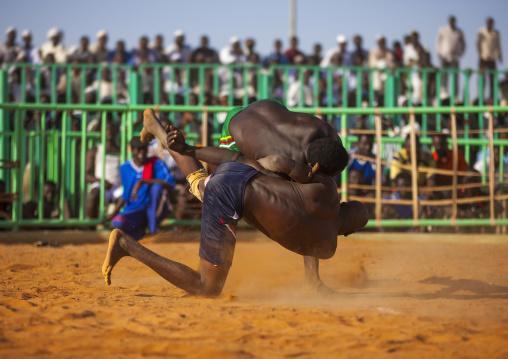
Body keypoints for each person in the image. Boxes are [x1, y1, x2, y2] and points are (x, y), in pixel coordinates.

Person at [101, 109, 368, 297]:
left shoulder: (324, 185)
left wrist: (188, 148)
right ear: (347, 231)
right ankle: (126, 245)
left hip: (248, 140)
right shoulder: (325, 242)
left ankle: (160, 130)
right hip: (233, 183)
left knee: (213, 182)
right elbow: (310, 232)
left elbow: (265, 162)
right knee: (207, 287)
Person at [105, 137, 175, 240]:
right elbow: (126, 195)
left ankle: (153, 230)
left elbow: (169, 183)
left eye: (144, 149)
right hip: (135, 209)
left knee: (157, 188)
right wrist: (112, 214)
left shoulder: (156, 163)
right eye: (138, 149)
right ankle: (139, 233)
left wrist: (143, 181)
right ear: (132, 150)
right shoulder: (125, 167)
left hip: (153, 207)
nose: (141, 152)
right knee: (117, 222)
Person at [86, 121, 122, 219]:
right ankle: (92, 226)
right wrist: (101, 181)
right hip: (100, 184)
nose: (109, 131)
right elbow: (86, 175)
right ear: (101, 132)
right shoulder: (95, 150)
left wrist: (122, 182)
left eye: (111, 129)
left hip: (115, 186)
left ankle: (112, 222)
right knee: (94, 194)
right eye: (106, 129)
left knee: (125, 197)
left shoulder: (121, 151)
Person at [436, 16, 466, 97]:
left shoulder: (459, 32)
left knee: (455, 77)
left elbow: (463, 44)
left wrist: (459, 55)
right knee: (443, 75)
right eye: (450, 21)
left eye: (453, 21)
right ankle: (443, 93)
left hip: (454, 58)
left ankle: (455, 95)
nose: (452, 22)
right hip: (444, 56)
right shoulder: (443, 30)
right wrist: (440, 53)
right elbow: (438, 42)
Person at [476, 17, 503, 99]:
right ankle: (481, 96)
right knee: (482, 77)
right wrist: (480, 54)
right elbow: (477, 44)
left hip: (492, 58)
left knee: (492, 78)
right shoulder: (481, 32)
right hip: (483, 57)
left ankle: (492, 96)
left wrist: (499, 56)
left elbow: (498, 45)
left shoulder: (496, 33)